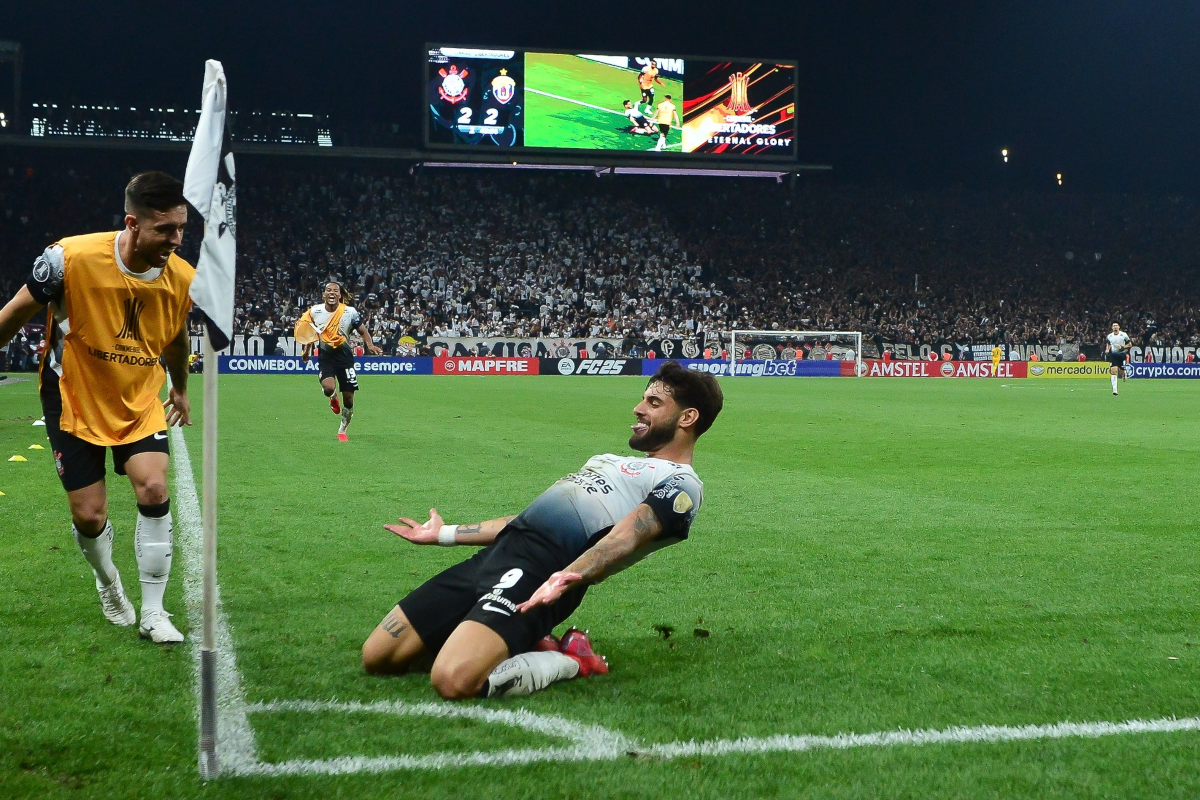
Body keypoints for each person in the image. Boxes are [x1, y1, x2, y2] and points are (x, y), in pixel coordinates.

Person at [361, 361, 724, 700]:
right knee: (379, 657)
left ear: (687, 417)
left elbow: (626, 536)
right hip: (494, 557)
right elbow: (527, 518)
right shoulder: (609, 461)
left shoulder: (682, 484)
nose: (637, 408)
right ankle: (521, 641)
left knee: (452, 679)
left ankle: (570, 660)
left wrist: (566, 577)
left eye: (654, 402)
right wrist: (443, 534)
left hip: (539, 576)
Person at [0, 172, 196, 643]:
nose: (176, 239)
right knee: (89, 515)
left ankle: (154, 611)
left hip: (137, 398)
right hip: (74, 397)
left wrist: (181, 389)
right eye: (165, 230)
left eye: (181, 228)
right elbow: (13, 315)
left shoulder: (182, 279)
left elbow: (174, 338)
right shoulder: (70, 259)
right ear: (132, 223)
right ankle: (108, 582)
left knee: (152, 486)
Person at [298, 281, 382, 441]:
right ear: (323, 294)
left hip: (345, 359)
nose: (332, 292)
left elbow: (363, 331)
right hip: (326, 358)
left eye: (335, 290)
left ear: (340, 295)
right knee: (328, 388)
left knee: (349, 399)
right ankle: (332, 396)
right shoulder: (315, 312)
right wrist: (307, 351)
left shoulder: (349, 312)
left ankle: (342, 429)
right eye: (328, 290)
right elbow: (311, 333)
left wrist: (370, 345)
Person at [1104, 322, 1131, 395]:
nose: (1115, 327)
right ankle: (1115, 390)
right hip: (1114, 355)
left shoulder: (1124, 335)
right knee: (1114, 371)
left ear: (1119, 327)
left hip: (1122, 355)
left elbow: (1129, 344)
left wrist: (1122, 347)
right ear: (1112, 328)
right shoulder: (1109, 336)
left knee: (1121, 372)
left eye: (1116, 326)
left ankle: (1124, 375)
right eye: (1113, 326)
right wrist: (1107, 349)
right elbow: (1108, 344)